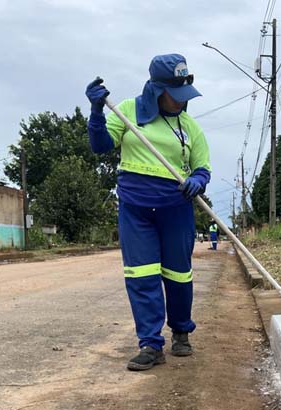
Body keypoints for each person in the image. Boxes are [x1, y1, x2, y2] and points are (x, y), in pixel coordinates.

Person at [85, 54, 212, 371]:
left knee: (178, 276)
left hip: (176, 208)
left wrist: (198, 179)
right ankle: (150, 344)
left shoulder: (190, 127)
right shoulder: (127, 112)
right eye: (176, 95)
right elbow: (101, 146)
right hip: (136, 209)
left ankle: (181, 331)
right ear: (157, 90)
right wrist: (97, 113)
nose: (182, 102)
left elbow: (202, 166)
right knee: (141, 276)